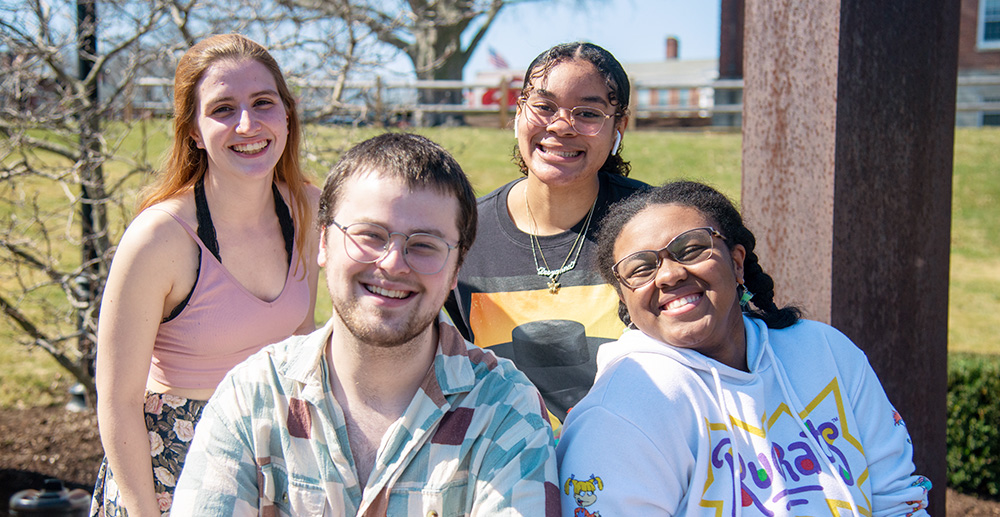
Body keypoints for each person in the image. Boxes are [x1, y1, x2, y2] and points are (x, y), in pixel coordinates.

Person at [172, 133, 560, 516]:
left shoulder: (506, 409)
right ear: (323, 242)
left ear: (457, 267)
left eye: (424, 244)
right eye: (369, 235)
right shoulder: (252, 398)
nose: (393, 263)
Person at [556, 181, 932, 515]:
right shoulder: (620, 413)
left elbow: (897, 497)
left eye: (691, 249)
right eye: (641, 268)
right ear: (625, 298)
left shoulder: (825, 351)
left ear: (737, 263)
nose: (669, 274)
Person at [91, 34, 321, 516]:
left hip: (270, 460)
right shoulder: (159, 238)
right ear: (193, 130)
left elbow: (300, 352)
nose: (247, 124)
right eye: (222, 109)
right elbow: (117, 402)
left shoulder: (309, 209)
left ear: (286, 114)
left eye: (263, 103)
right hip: (170, 464)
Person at [445, 42, 649, 430]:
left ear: (618, 127)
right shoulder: (465, 232)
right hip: (507, 470)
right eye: (543, 106)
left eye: (588, 113)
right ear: (519, 111)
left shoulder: (652, 224)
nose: (560, 125)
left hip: (634, 463)